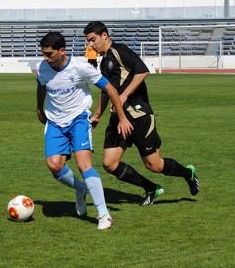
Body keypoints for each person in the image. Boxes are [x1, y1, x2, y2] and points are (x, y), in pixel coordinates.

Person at [83, 21, 199, 206]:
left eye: (93, 39)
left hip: (139, 116)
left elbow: (142, 71)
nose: (91, 44)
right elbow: (106, 91)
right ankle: (151, 188)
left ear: (104, 35)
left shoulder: (120, 51)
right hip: (118, 118)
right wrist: (97, 115)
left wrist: (124, 95)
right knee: (109, 163)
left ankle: (188, 173)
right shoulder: (104, 61)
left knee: (154, 165)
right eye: (88, 41)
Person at [36, 32, 133, 230]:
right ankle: (80, 189)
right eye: (43, 53)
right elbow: (41, 86)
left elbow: (110, 88)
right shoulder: (42, 67)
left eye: (49, 53)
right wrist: (39, 108)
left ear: (62, 50)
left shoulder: (80, 67)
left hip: (78, 119)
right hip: (55, 121)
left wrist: (122, 117)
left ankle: (104, 214)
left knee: (83, 164)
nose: (45, 58)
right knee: (54, 165)